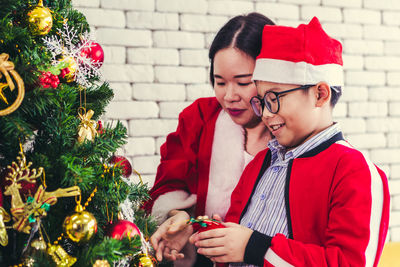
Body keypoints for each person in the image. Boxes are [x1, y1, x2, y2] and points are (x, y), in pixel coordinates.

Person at [190, 17, 390, 267]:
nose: (265, 113)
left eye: (274, 98)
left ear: (320, 94)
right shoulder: (261, 162)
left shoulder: (354, 171)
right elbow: (239, 238)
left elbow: (349, 262)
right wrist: (217, 238)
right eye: (261, 101)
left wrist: (254, 247)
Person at [142, 13, 275, 266]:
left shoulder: (291, 133)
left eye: (243, 82)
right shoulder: (200, 118)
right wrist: (177, 215)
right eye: (220, 82)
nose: (229, 96)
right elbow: (167, 184)